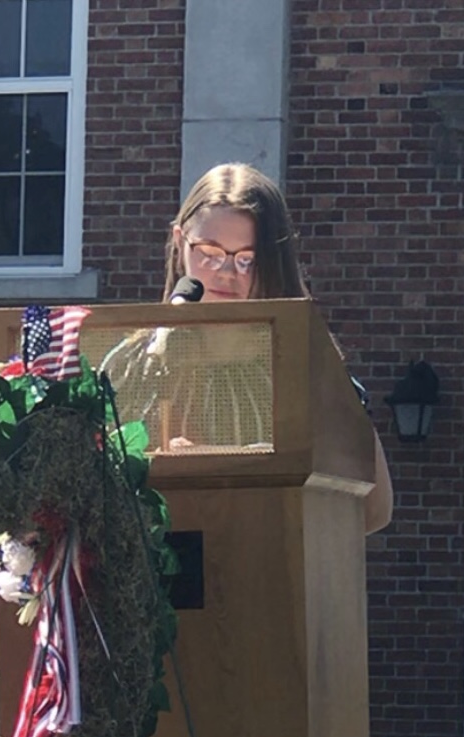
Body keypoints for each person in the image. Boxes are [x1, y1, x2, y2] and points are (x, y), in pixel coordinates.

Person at [103, 162, 393, 533]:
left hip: (270, 574)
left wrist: (240, 470)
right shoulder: (129, 366)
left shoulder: (304, 368)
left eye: (247, 259)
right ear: (179, 243)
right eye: (209, 252)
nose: (225, 271)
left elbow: (374, 509)